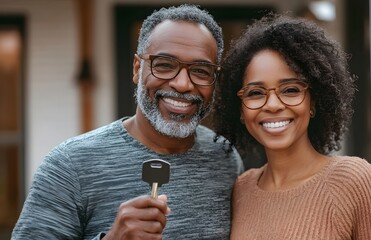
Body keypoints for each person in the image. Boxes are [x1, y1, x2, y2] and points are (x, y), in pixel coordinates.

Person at [12, 4, 243, 240]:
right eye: (164, 65)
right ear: (136, 69)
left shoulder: (225, 157)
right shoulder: (70, 166)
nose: (183, 84)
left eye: (201, 71)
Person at [213, 13, 371, 239]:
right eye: (256, 93)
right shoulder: (241, 190)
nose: (273, 105)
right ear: (241, 110)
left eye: (291, 90)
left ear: (313, 102)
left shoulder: (354, 181)